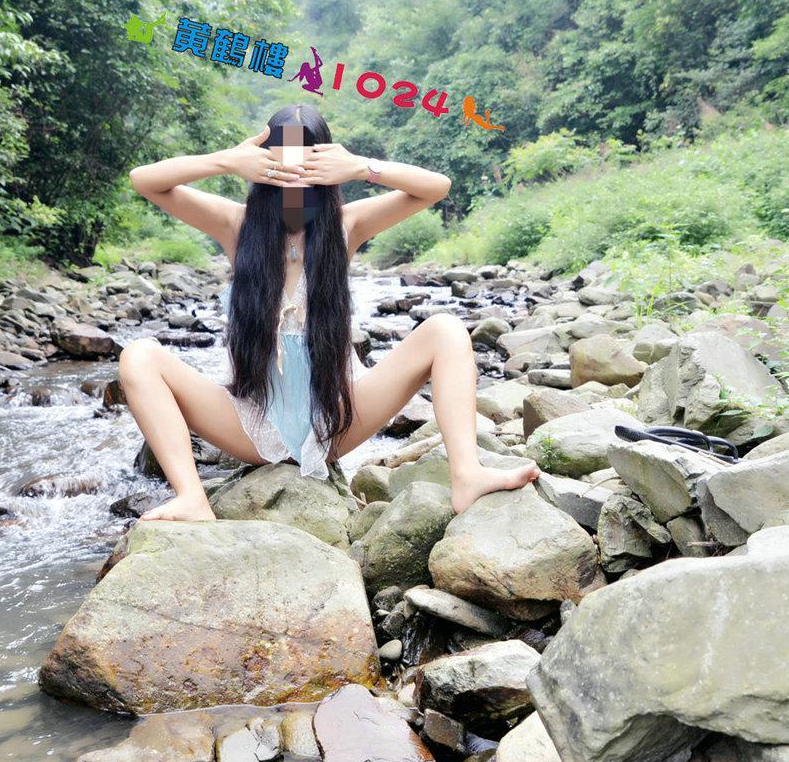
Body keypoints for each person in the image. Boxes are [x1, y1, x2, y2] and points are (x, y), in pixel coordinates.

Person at [120, 103, 541, 522]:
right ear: (262, 170)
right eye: (282, 166)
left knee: (447, 330)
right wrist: (226, 160)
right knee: (137, 356)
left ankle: (466, 474)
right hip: (248, 423)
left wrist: (361, 167)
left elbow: (436, 187)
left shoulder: (347, 224)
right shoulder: (236, 224)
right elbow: (145, 181)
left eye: (309, 166)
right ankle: (192, 497)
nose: (295, 179)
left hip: (335, 420)